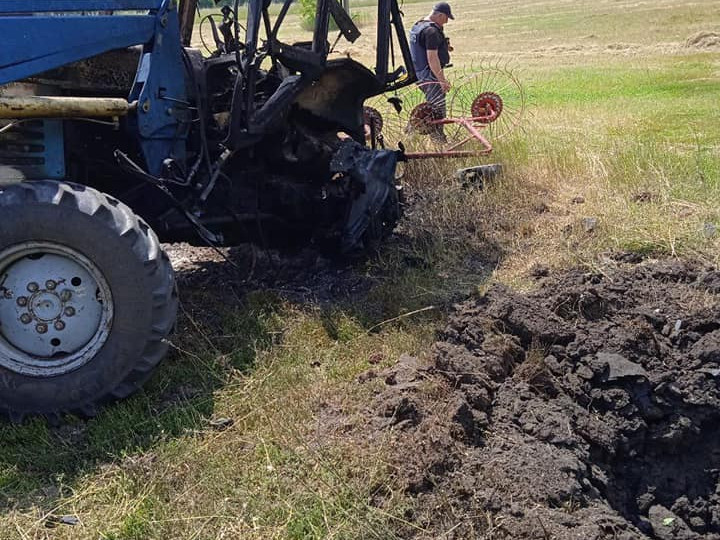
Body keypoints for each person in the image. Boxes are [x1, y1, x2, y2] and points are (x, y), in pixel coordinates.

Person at [408, 2, 454, 143]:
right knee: (438, 110)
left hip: (418, 73)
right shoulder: (432, 31)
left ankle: (410, 132)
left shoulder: (418, 25)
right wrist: (441, 80)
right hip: (429, 75)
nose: (446, 22)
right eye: (446, 18)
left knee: (430, 106)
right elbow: (432, 57)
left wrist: (445, 48)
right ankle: (438, 142)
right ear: (440, 15)